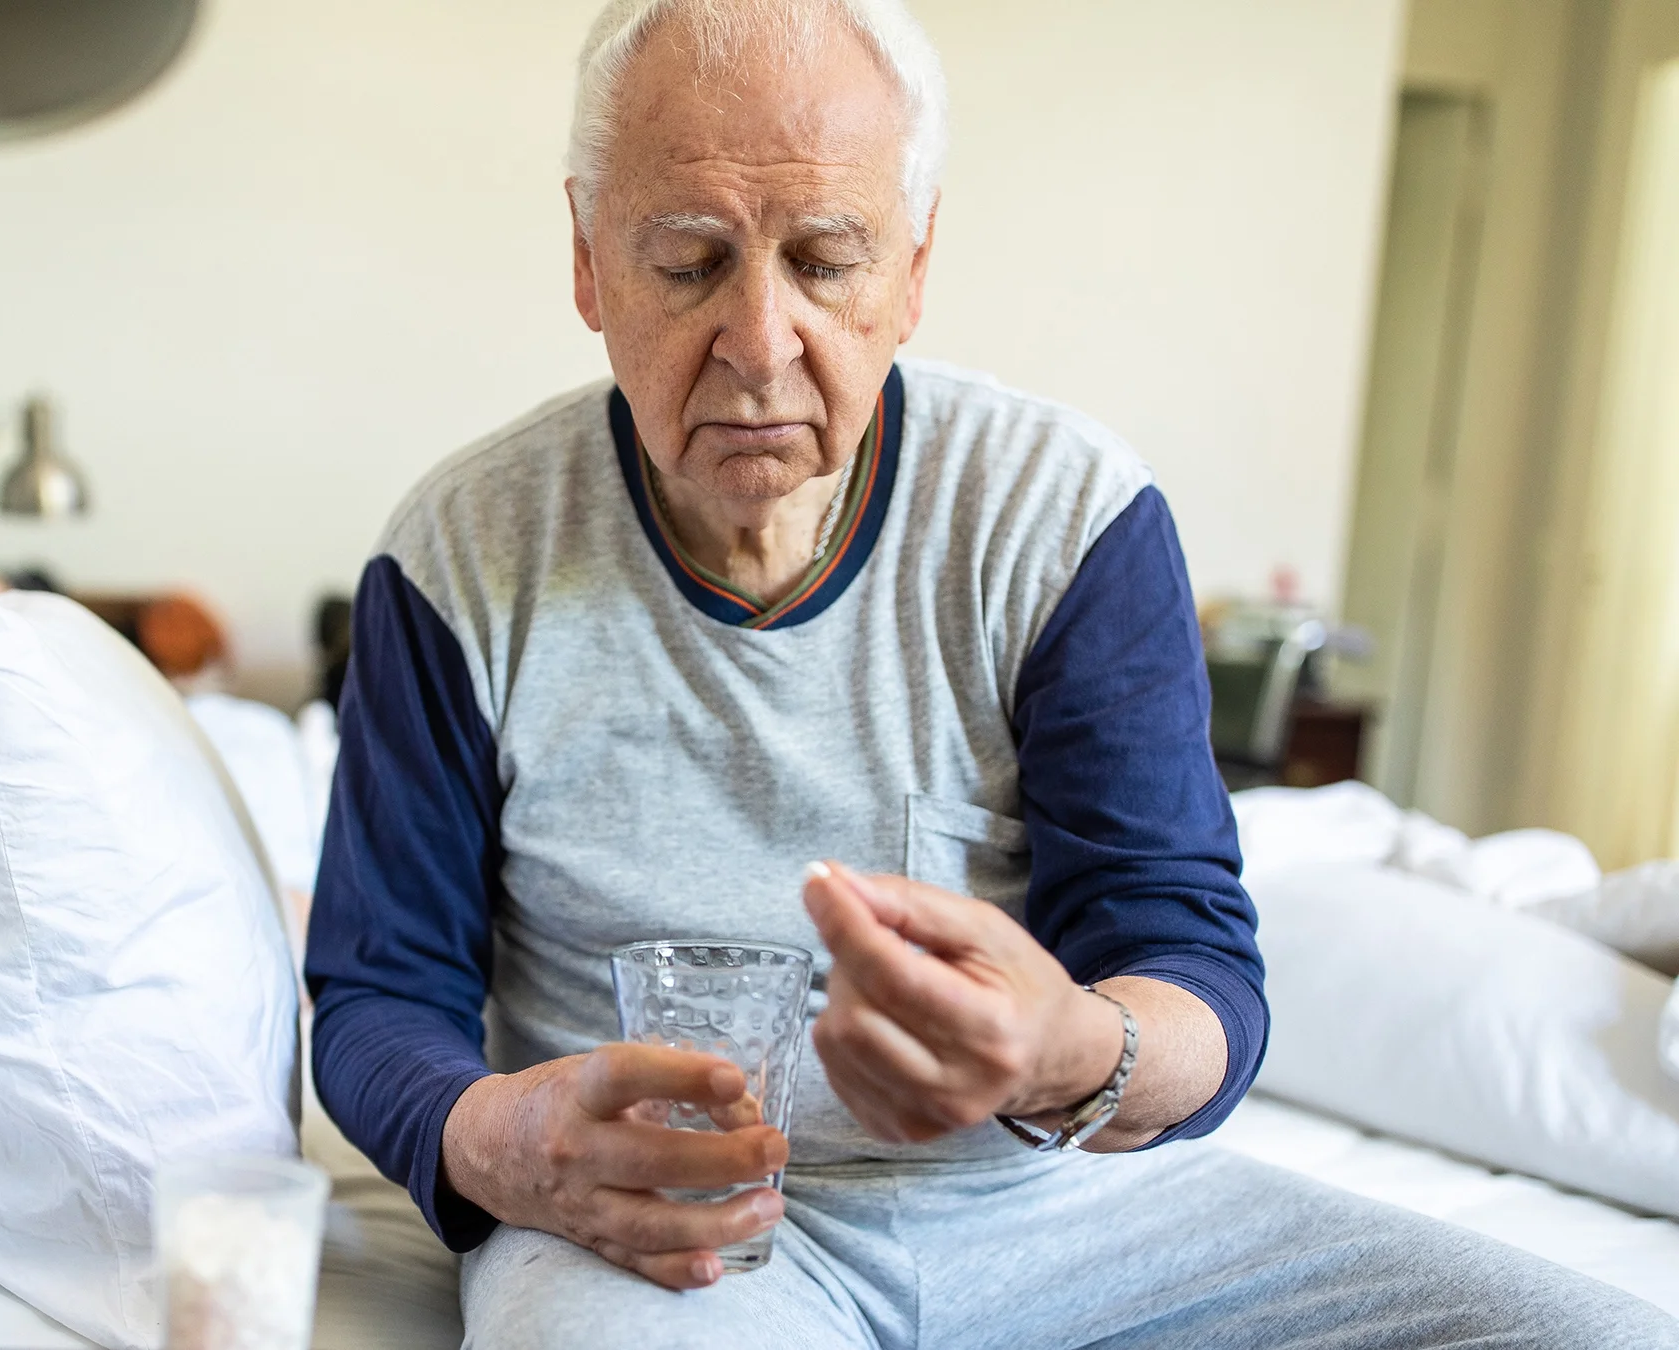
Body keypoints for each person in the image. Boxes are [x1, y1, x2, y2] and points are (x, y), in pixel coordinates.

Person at [302, 0, 1679, 1344]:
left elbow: (1192, 969)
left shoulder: (1067, 515)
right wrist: (501, 1139)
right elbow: (378, 996)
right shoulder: (458, 556)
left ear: (913, 266)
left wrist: (1070, 1047)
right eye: (689, 260)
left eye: (827, 261)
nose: (761, 341)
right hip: (669, 1237)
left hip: (1069, 1208)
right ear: (591, 260)